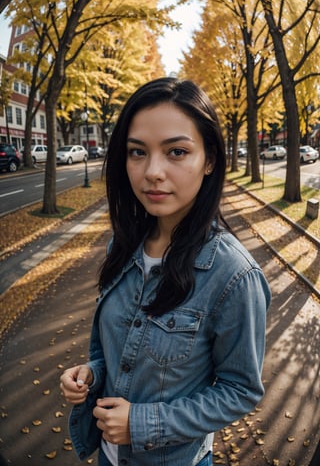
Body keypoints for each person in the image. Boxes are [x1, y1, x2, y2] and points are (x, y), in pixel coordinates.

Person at [60, 77, 271, 466]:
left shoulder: (234, 276)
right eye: (137, 152)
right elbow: (122, 351)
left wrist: (142, 423)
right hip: (108, 456)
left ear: (209, 160)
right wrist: (91, 374)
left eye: (176, 151)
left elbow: (240, 390)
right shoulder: (122, 249)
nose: (152, 171)